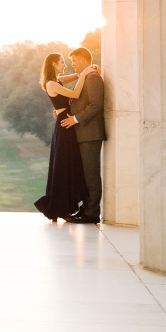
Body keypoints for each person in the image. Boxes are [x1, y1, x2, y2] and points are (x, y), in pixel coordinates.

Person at [34, 52, 98, 221]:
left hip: (65, 123)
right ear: (54, 64)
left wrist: (86, 71)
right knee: (63, 166)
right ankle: (58, 209)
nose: (65, 65)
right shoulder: (52, 84)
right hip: (64, 125)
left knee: (67, 165)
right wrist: (85, 74)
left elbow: (75, 76)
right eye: (62, 62)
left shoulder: (56, 81)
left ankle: (62, 208)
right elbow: (75, 94)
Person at [59, 46, 105, 223]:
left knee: (91, 174)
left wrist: (75, 119)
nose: (73, 64)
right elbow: (79, 101)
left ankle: (92, 213)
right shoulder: (86, 76)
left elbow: (95, 104)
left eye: (74, 61)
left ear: (84, 60)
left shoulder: (93, 77)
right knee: (85, 174)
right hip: (82, 134)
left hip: (90, 133)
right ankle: (85, 210)